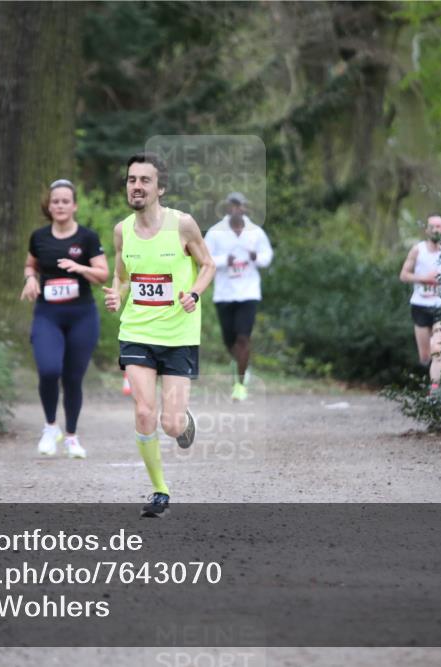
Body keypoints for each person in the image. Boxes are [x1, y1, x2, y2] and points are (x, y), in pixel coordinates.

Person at [102, 152, 216, 517]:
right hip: (136, 330)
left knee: (171, 423)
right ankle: (160, 491)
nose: (136, 186)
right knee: (144, 412)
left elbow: (208, 265)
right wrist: (116, 294)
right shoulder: (122, 230)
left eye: (144, 180)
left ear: (160, 188)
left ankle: (183, 421)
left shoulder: (182, 225)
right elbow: (122, 276)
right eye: (131, 180)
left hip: (179, 335)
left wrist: (194, 293)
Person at [21, 179, 109, 458]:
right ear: (49, 205)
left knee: (73, 378)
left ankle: (71, 436)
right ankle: (50, 428)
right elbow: (29, 264)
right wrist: (30, 279)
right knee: (48, 370)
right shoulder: (39, 237)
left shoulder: (87, 238)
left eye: (65, 201)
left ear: (74, 206)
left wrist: (79, 267)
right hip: (48, 314)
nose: (59, 205)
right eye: (55, 201)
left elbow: (102, 274)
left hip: (82, 316)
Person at [203, 192, 273, 401]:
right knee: (230, 341)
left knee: (243, 338)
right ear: (226, 208)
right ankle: (243, 365)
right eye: (232, 206)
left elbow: (267, 256)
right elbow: (205, 258)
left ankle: (240, 385)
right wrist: (226, 260)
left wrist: (256, 257)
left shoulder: (255, 232)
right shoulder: (216, 233)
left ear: (245, 208)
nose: (236, 210)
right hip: (224, 293)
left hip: (248, 292)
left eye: (239, 206)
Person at [399, 213, 441, 395]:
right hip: (420, 306)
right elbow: (404, 275)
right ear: (426, 230)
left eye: (439, 226)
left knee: (437, 348)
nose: (435, 230)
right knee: (425, 356)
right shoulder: (417, 250)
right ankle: (429, 378)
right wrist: (425, 279)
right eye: (432, 227)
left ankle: (435, 390)